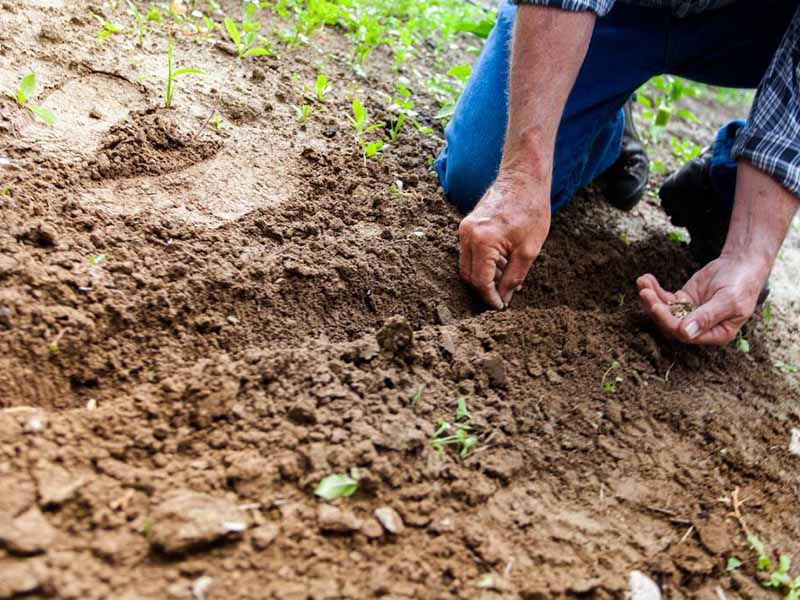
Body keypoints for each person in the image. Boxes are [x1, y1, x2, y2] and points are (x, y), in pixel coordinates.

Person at [435, 0, 800, 346]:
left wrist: (748, 255)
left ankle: (726, 182)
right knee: (480, 177)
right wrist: (522, 175)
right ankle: (605, 120)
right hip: (615, 11)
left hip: (754, 25)